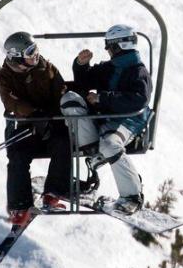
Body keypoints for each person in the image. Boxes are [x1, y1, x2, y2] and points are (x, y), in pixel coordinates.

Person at [59, 24, 152, 214]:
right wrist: (81, 66)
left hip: (127, 121)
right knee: (71, 102)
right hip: (104, 119)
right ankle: (93, 158)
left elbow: (138, 100)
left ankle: (132, 196)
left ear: (119, 46)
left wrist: (103, 98)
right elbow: (84, 82)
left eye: (109, 45)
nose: (106, 49)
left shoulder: (138, 71)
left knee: (110, 145)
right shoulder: (110, 67)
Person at [0, 32, 70, 224]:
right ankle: (19, 206)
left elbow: (61, 92)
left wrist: (54, 114)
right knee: (17, 155)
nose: (36, 54)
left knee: (63, 142)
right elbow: (11, 101)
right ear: (17, 55)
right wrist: (33, 113)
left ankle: (53, 193)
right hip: (26, 125)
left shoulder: (46, 68)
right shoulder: (6, 76)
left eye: (36, 49)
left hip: (51, 123)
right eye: (30, 52)